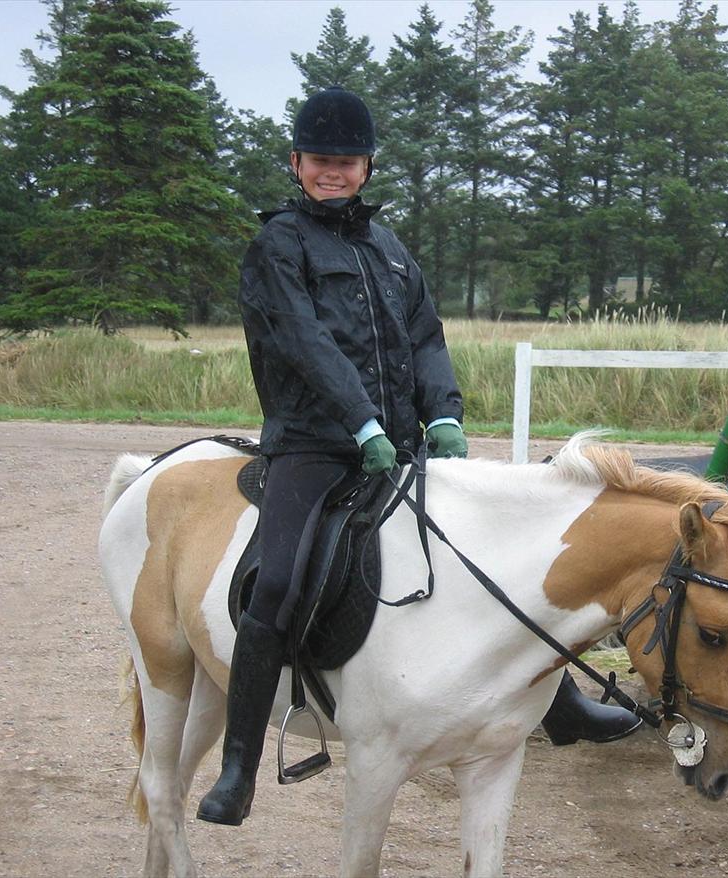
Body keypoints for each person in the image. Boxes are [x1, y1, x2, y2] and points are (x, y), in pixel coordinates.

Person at [197, 87, 638, 828]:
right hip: (313, 446)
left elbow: (426, 337)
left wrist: (444, 414)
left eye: (345, 160)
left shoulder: (388, 248)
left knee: (502, 555)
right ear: (297, 162)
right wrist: (360, 422)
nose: (332, 172)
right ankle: (239, 761)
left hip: (397, 446)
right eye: (319, 160)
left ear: (366, 166)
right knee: (275, 583)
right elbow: (303, 345)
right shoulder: (278, 246)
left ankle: (559, 707)